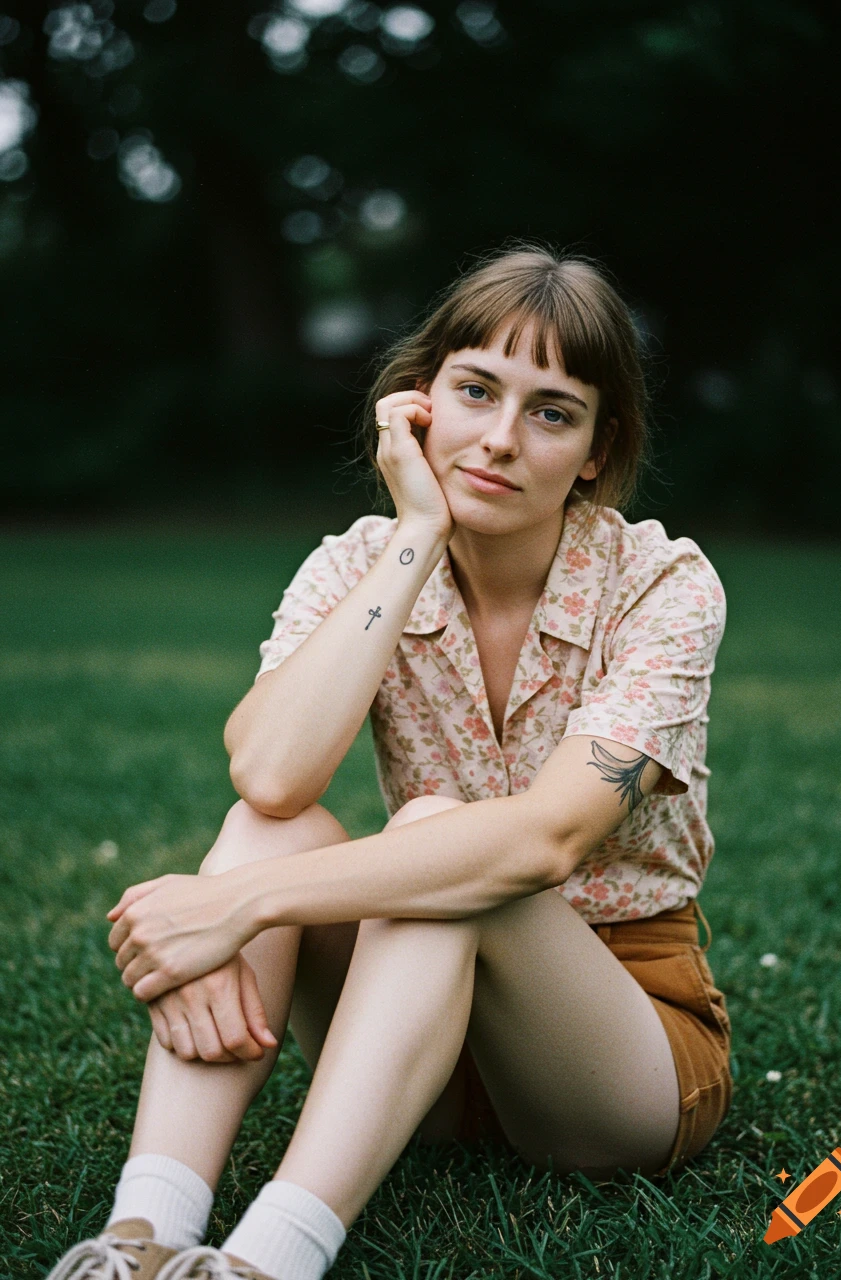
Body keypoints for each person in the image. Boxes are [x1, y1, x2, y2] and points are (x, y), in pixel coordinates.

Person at [47, 241, 732, 1280]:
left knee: (435, 841)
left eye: (551, 411)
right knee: (271, 826)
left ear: (596, 447)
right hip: (409, 1028)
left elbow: (545, 840)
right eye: (475, 390)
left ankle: (271, 1258)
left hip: (609, 1049)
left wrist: (239, 906)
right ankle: (143, 1229)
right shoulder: (351, 563)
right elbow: (271, 778)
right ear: (419, 404)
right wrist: (415, 529)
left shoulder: (661, 583)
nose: (499, 439)